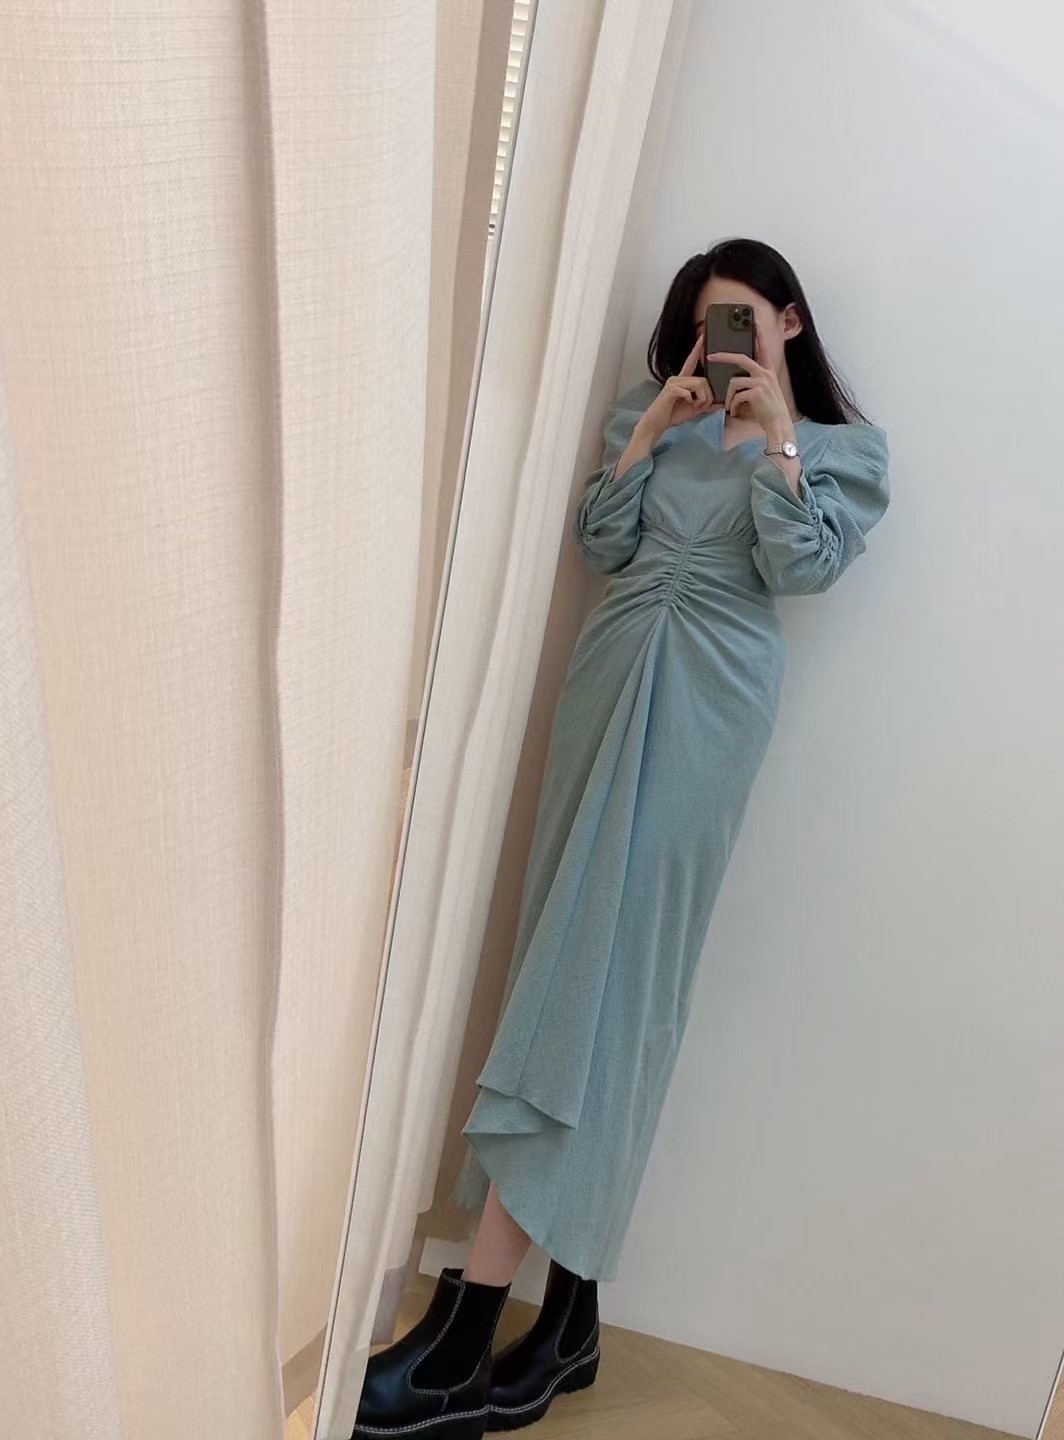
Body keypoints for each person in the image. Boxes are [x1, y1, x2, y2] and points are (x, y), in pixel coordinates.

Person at [348, 237, 891, 1440]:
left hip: (712, 707)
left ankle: (477, 1320)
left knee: (618, 991)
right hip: (608, 678)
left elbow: (801, 569)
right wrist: (651, 432)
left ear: (790, 322)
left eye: (741, 318)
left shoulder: (844, 452)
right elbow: (601, 546)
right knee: (559, 969)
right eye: (704, 323)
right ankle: (558, 1323)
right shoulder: (652, 416)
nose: (721, 343)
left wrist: (778, 439)